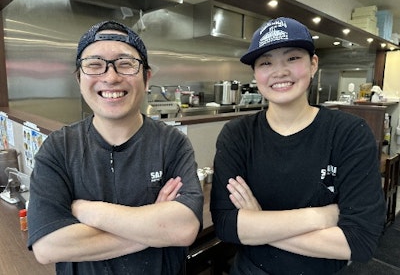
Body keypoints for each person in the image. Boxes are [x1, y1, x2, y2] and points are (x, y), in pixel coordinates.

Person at [210, 17, 386, 274]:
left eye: (292, 58)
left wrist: (257, 224)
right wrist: (318, 217)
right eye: (266, 62)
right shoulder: (237, 135)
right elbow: (226, 224)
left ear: (313, 64)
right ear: (256, 74)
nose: (279, 71)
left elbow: (360, 241)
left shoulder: (349, 134)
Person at [27, 20, 204, 274]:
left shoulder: (172, 143)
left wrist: (89, 211)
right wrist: (155, 226)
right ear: (79, 78)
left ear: (146, 77)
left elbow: (184, 228)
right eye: (95, 65)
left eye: (125, 64)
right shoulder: (58, 148)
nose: (111, 77)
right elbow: (47, 247)